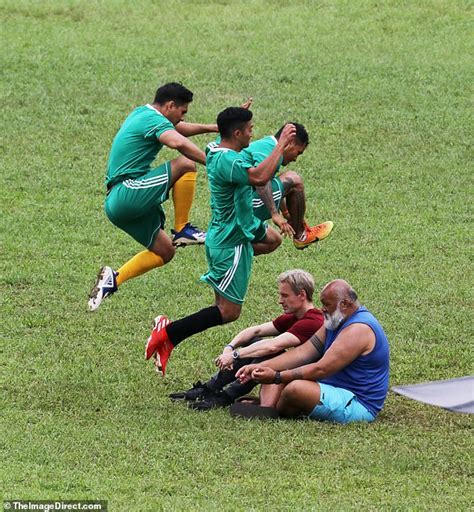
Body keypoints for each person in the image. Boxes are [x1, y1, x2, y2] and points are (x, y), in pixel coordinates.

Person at [144, 107, 297, 375]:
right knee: (228, 312)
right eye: (249, 129)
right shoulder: (230, 162)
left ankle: (170, 338)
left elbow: (250, 165)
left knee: (272, 239)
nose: (252, 133)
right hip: (231, 241)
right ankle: (168, 333)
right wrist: (281, 144)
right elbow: (260, 177)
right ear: (237, 133)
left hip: (232, 233)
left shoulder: (217, 149)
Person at [88, 82, 217, 311]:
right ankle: (183, 228)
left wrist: (213, 127)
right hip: (126, 191)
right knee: (185, 164)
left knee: (165, 251)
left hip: (118, 207)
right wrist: (215, 163)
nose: (183, 117)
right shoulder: (151, 119)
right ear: (170, 106)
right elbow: (177, 141)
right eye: (182, 111)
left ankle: (113, 280)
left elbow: (179, 129)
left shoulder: (143, 113)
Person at [236, 279, 390, 423]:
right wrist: (262, 367)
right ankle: (268, 407)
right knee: (279, 369)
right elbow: (303, 353)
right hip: (329, 388)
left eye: (326, 304)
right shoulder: (333, 320)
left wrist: (276, 377)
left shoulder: (358, 330)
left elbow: (321, 369)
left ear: (344, 304)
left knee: (295, 389)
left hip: (358, 403)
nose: (322, 309)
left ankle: (275, 410)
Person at [169, 269, 324, 410]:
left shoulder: (313, 321)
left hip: (310, 381)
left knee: (268, 352)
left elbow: (273, 346)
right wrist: (230, 347)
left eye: (285, 295)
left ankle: (226, 396)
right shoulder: (294, 316)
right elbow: (256, 330)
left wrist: (236, 355)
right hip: (295, 373)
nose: (280, 300)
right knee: (254, 342)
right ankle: (209, 389)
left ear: (302, 295)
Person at [241, 123, 333, 250]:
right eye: (298, 152)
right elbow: (261, 182)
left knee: (273, 240)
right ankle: (301, 235)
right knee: (294, 179)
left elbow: (271, 183)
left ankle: (236, 251)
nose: (295, 159)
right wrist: (274, 213)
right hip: (243, 205)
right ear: (290, 143)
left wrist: (286, 213)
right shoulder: (270, 149)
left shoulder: (268, 146)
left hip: (236, 206)